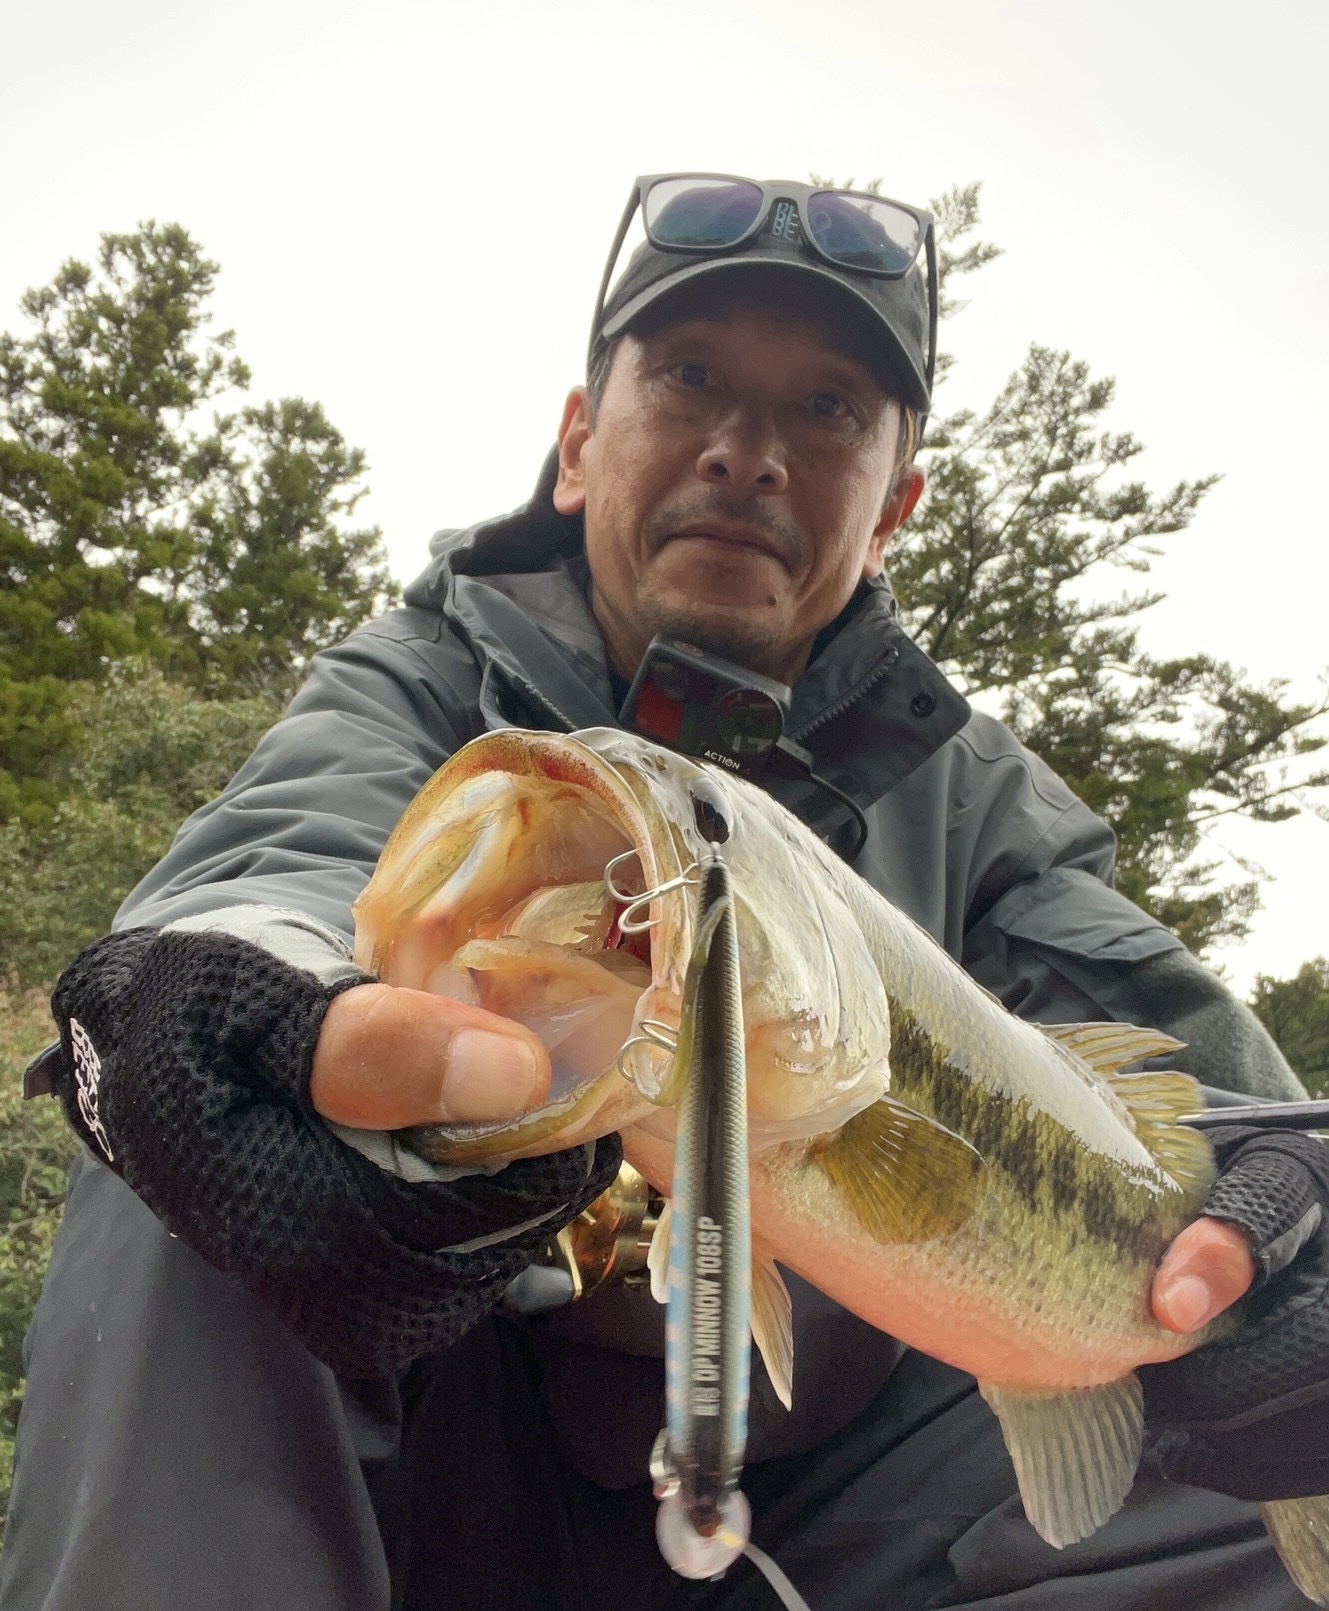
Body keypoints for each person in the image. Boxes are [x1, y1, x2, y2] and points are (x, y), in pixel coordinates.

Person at [5, 174, 1329, 1611]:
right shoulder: (416, 681)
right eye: (691, 377)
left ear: (893, 509)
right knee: (196, 1131)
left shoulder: (987, 808)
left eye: (825, 409)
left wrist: (1293, 1232)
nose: (746, 454)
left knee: (1274, 1396)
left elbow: (1226, 1116)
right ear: (578, 444)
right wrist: (265, 999)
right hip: (444, 1459)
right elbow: (277, 864)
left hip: (843, 1514)